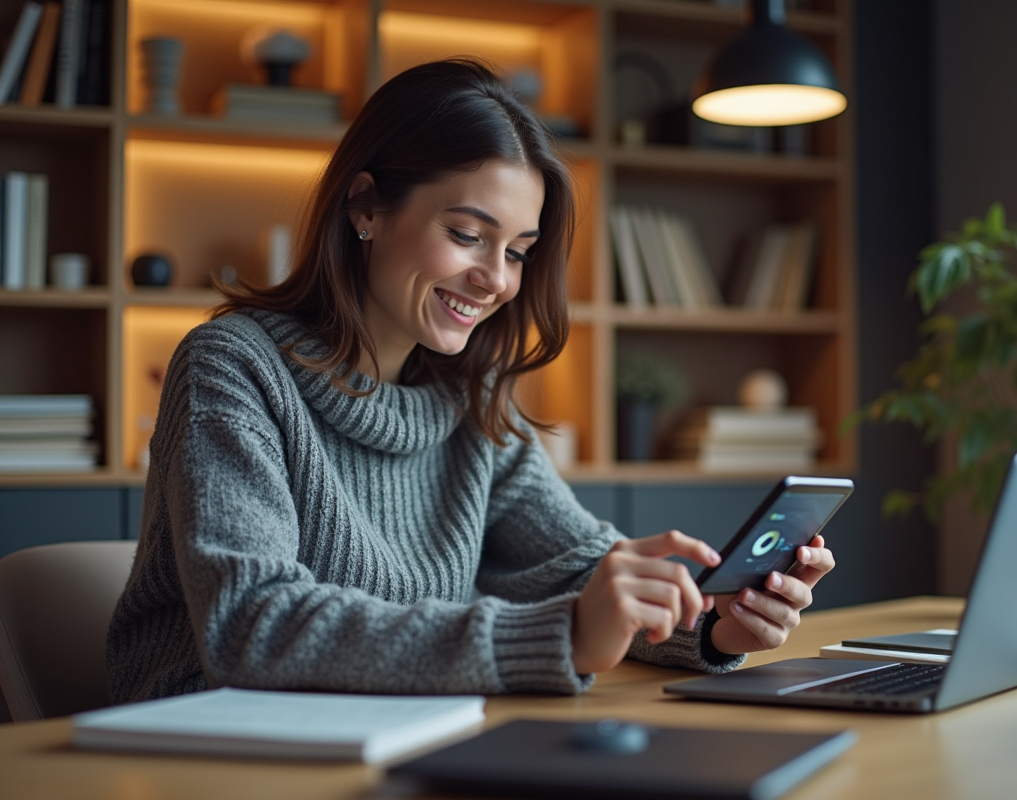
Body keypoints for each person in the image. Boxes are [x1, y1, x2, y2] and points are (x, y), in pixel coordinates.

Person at [106, 59, 836, 704]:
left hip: (396, 732)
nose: (496, 281)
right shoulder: (232, 366)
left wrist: (710, 623)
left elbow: (579, 570)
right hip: (209, 745)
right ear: (365, 205)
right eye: (466, 235)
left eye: (519, 251)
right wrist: (559, 633)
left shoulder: (470, 400)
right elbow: (250, 626)